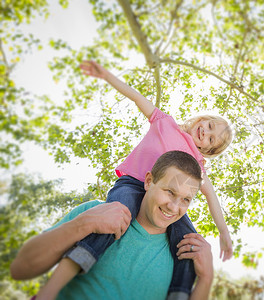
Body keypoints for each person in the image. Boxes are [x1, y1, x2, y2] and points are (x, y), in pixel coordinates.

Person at [32, 60, 233, 300]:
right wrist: (106, 75)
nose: (206, 133)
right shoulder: (165, 123)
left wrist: (224, 232)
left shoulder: (197, 164)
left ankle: (179, 294)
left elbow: (211, 196)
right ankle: (52, 289)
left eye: (211, 140)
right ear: (201, 119)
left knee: (190, 244)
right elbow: (137, 97)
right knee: (111, 219)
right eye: (209, 126)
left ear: (207, 150)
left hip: (167, 199)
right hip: (133, 185)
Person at [10, 151, 214, 300]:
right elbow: (19, 269)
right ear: (149, 181)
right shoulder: (97, 212)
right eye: (170, 191)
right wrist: (83, 224)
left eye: (186, 200)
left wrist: (206, 278)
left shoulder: (183, 251)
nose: (174, 206)